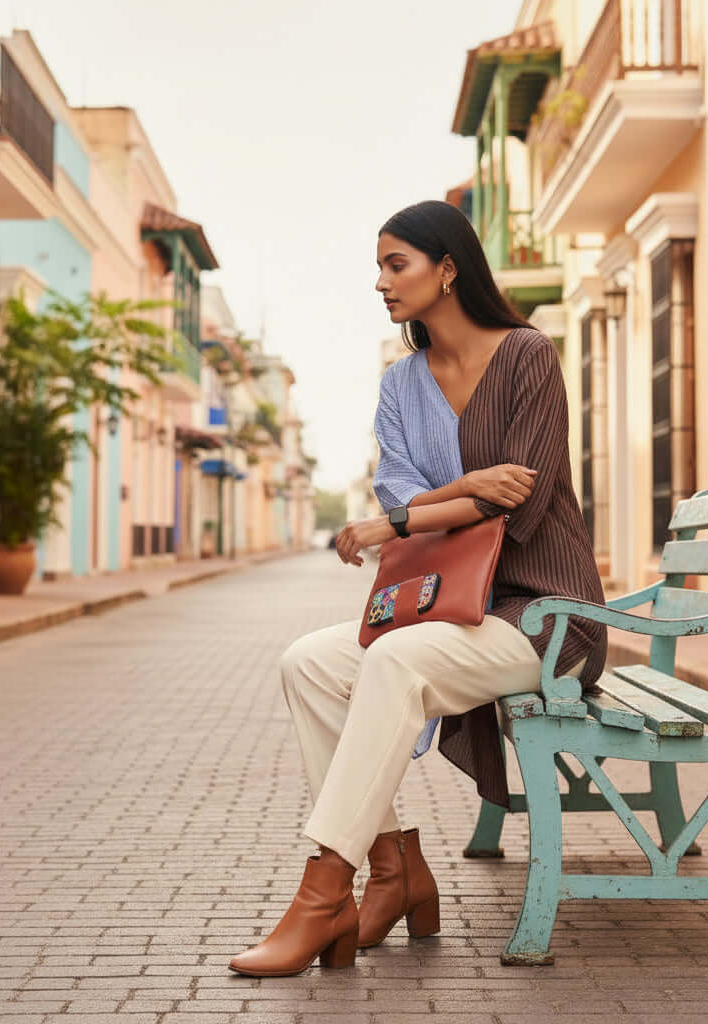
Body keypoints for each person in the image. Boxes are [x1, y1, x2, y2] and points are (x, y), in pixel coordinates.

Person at [229, 200, 606, 978]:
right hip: (447, 609)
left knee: (394, 662)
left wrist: (408, 516)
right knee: (308, 661)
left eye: (395, 264)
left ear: (447, 268)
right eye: (378, 267)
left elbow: (523, 498)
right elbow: (406, 496)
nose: (381, 282)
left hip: (544, 612)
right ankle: (398, 871)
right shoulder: (400, 385)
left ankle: (325, 891)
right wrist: (459, 486)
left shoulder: (529, 356)